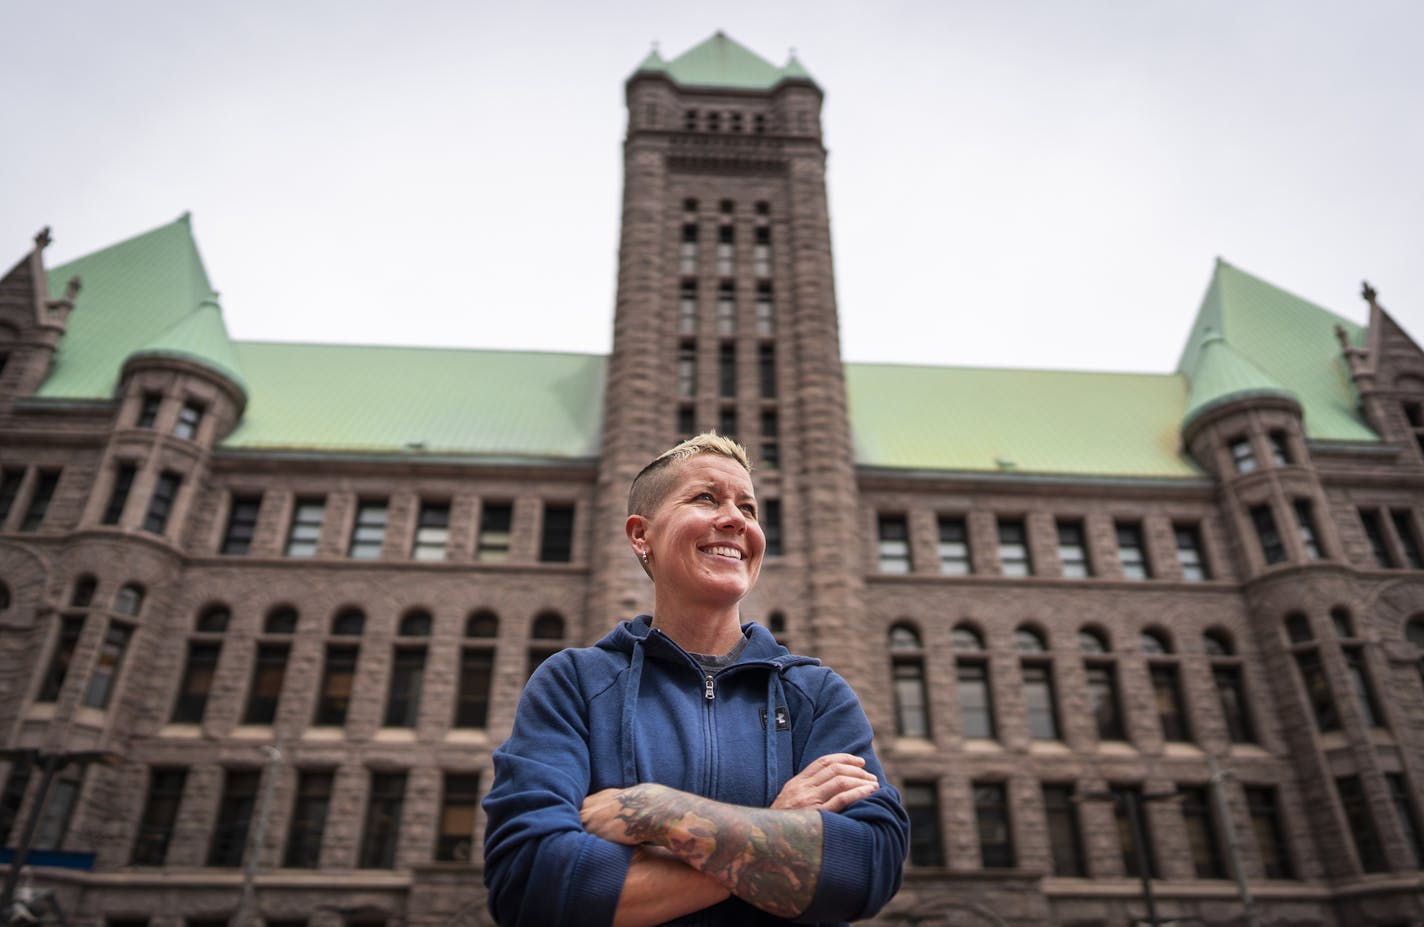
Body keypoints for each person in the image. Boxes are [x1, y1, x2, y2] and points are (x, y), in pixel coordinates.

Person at [482, 433, 908, 926]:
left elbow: (868, 868)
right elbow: (532, 882)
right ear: (641, 535)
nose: (735, 519)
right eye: (706, 498)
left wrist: (653, 809)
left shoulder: (816, 694)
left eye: (748, 508)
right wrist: (783, 831)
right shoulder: (575, 683)